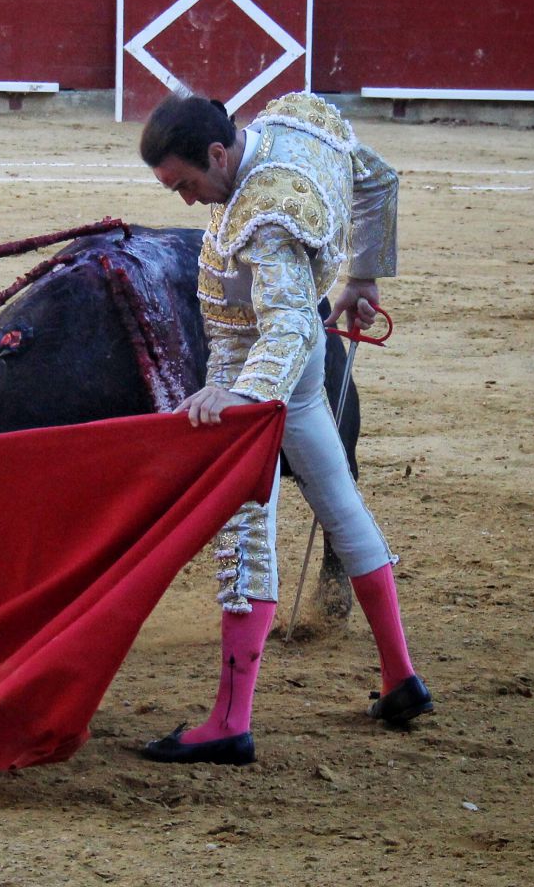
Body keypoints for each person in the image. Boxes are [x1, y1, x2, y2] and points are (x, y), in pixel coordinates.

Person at [138, 93, 432, 765]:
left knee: (246, 525)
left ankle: (229, 722)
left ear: (218, 153)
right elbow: (378, 178)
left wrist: (241, 402)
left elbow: (294, 325)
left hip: (263, 369)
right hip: (290, 373)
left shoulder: (263, 218)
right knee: (338, 502)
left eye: (186, 183)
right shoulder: (295, 124)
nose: (186, 201)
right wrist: (363, 276)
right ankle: (400, 677)